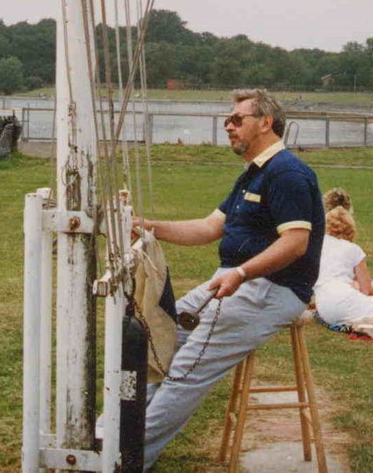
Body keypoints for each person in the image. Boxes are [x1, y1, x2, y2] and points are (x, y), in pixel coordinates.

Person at [134, 89, 325, 470]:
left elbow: (295, 243)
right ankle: (114, 436)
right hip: (235, 280)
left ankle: (126, 457)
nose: (228, 126)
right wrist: (147, 227)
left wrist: (241, 272)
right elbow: (209, 228)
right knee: (157, 339)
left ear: (265, 123)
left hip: (271, 287)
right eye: (227, 120)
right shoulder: (253, 174)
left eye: (237, 119)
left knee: (186, 371)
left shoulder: (287, 173)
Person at [314, 206, 373, 339]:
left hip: (323, 305)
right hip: (342, 297)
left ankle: (360, 322)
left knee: (355, 308)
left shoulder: (317, 244)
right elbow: (366, 289)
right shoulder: (354, 250)